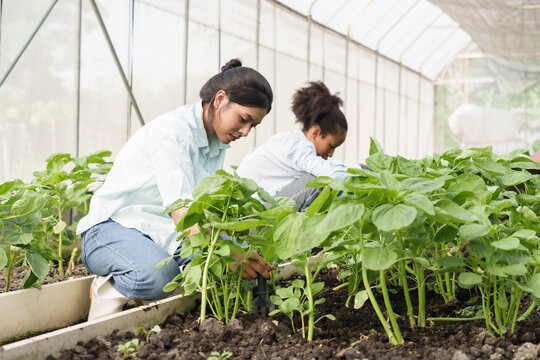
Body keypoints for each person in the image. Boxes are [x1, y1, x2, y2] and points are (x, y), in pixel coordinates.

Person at [77, 59, 274, 320]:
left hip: (159, 231)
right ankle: (108, 293)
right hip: (111, 229)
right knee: (157, 276)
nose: (246, 131)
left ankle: (141, 294)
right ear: (220, 99)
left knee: (223, 263)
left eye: (253, 126)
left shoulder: (214, 142)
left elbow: (201, 212)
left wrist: (237, 250)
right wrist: (231, 253)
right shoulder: (174, 133)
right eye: (243, 119)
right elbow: (184, 215)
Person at [237, 81, 366, 212]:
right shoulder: (297, 145)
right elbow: (326, 171)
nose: (331, 154)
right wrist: (363, 170)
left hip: (255, 211)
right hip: (253, 217)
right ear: (316, 133)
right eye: (331, 146)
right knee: (320, 180)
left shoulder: (290, 141)